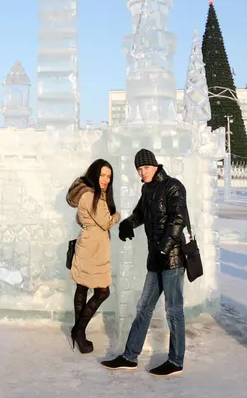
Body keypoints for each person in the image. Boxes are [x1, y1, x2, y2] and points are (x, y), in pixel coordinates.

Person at [101, 149, 187, 376]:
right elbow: (140, 213)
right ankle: (130, 357)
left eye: (145, 168)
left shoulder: (172, 186)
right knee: (144, 308)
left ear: (156, 166)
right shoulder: (147, 188)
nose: (142, 172)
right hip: (155, 259)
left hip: (172, 259)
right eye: (139, 169)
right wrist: (128, 224)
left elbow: (179, 220)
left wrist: (164, 249)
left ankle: (176, 361)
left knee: (173, 310)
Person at [66, 159, 120, 353]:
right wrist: (117, 216)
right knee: (102, 291)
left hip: (90, 244)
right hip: (93, 248)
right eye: (102, 175)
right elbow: (106, 222)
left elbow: (81, 219)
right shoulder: (91, 196)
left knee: (82, 287)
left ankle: (78, 333)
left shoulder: (91, 194)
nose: (105, 180)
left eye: (109, 177)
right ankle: (78, 331)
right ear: (94, 174)